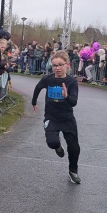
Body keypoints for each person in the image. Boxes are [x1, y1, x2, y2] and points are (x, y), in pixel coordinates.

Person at [31, 51, 81, 184]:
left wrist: (66, 96)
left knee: (74, 147)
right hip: (51, 116)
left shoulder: (71, 82)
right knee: (51, 142)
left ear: (67, 65)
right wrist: (34, 102)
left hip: (67, 117)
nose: (57, 68)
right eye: (54, 65)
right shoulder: (48, 79)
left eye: (60, 65)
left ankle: (73, 171)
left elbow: (74, 102)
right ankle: (58, 146)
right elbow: (38, 88)